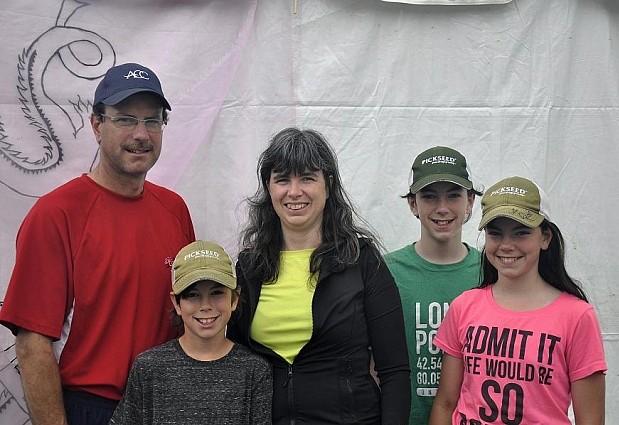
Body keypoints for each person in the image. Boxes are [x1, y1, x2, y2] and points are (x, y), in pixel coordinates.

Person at [0, 63, 196, 425]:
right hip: (93, 409)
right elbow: (32, 346)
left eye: (152, 120)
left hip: (168, 404)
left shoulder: (175, 210)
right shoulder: (55, 215)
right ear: (96, 125)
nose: (141, 133)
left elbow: (189, 318)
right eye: (125, 119)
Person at [226, 127, 411, 424]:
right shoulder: (250, 267)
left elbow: (395, 372)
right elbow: (234, 364)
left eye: (308, 178)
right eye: (282, 179)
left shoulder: (361, 259)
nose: (294, 191)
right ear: (269, 187)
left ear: (328, 185)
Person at [429, 176, 607, 425]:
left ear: (545, 238)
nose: (506, 245)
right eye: (495, 233)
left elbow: (590, 419)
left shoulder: (577, 316)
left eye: (521, 233)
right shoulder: (464, 306)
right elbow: (445, 404)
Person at [110, 240, 272, 424]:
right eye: (192, 295)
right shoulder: (148, 368)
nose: (205, 306)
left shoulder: (254, 370)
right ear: (176, 303)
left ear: (234, 298)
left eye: (216, 293)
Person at [384, 146, 483, 424]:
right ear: (413, 204)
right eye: (429, 197)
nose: (442, 208)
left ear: (470, 202)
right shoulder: (385, 272)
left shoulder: (491, 273)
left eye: (453, 195)